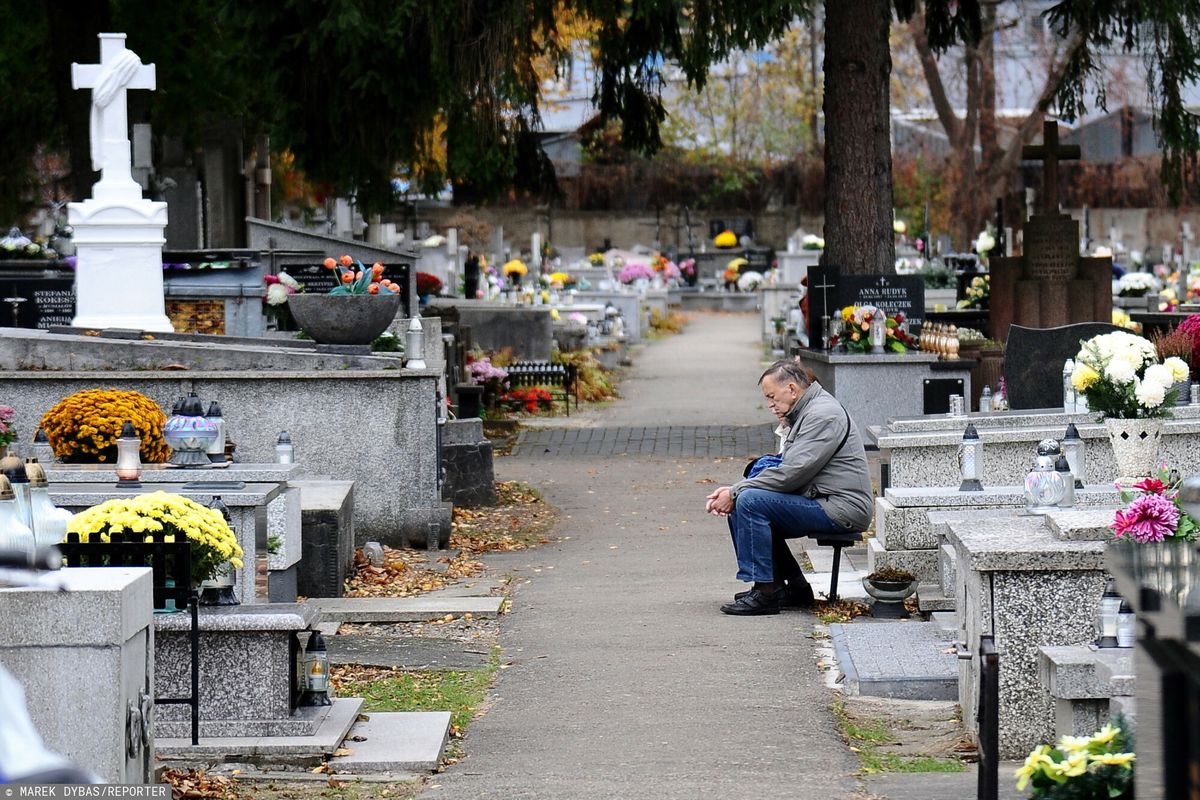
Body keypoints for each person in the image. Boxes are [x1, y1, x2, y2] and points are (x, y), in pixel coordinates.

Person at [705, 358, 873, 616]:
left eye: (772, 396)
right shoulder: (807, 410)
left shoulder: (822, 414)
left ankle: (766, 592)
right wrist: (736, 490)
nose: (770, 404)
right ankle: (793, 587)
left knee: (749, 500)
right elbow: (790, 468)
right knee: (745, 500)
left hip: (841, 509)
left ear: (792, 389)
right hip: (823, 500)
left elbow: (792, 473)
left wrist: (736, 490)